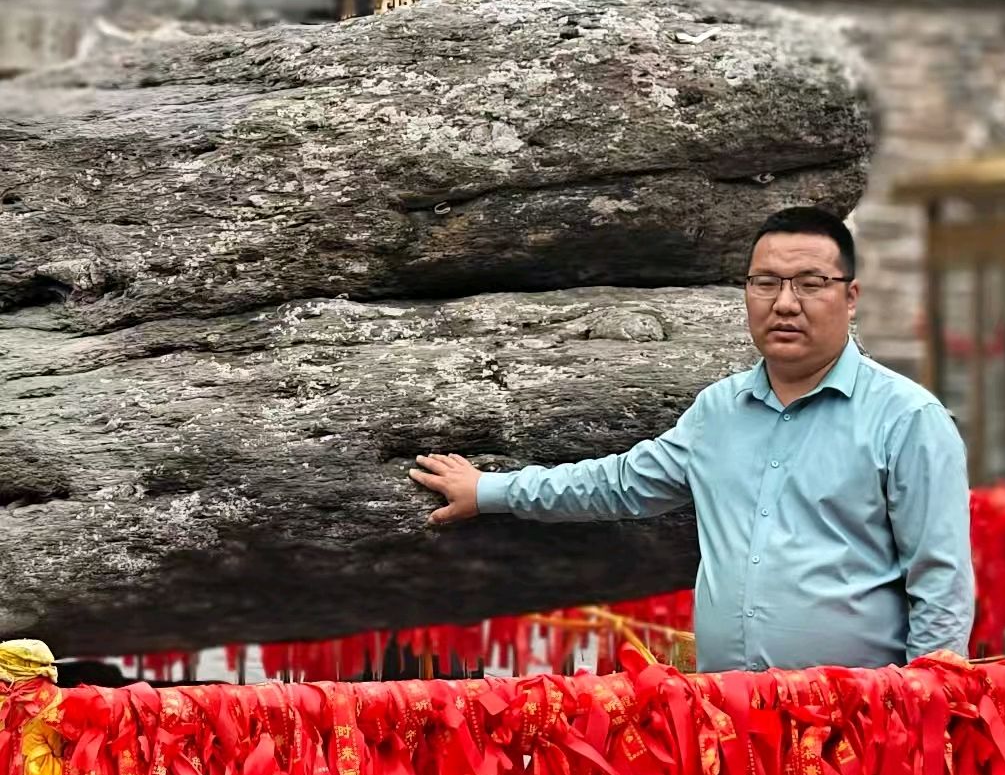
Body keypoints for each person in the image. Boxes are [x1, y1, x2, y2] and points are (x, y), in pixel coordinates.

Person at [410, 206, 973, 672]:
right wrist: (489, 490)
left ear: (851, 297)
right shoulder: (719, 411)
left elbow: (940, 580)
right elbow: (620, 484)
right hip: (725, 716)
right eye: (765, 283)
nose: (785, 303)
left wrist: (928, 712)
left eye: (810, 284)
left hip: (855, 725)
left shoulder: (907, 418)